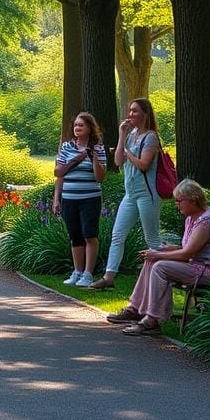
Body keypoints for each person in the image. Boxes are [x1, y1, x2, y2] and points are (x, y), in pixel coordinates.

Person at [107, 179, 210, 335]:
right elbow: (188, 248)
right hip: (198, 266)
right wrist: (165, 250)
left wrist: (159, 254)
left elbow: (187, 254)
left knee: (160, 266)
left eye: (179, 200)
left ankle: (152, 321)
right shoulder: (192, 217)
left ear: (193, 200)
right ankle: (135, 309)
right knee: (152, 260)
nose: (176, 204)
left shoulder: (206, 221)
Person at [88, 98, 163, 290]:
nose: (130, 115)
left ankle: (160, 276)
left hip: (148, 195)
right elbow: (119, 161)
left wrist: (129, 153)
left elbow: (144, 165)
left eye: (135, 111)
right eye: (130, 111)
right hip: (130, 195)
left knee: (152, 239)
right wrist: (122, 135)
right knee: (117, 235)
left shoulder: (151, 137)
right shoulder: (131, 135)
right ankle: (109, 277)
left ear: (146, 114)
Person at [52, 112, 107, 288]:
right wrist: (56, 199)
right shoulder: (67, 147)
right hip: (69, 198)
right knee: (75, 236)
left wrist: (94, 158)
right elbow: (58, 174)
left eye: (81, 125)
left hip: (90, 198)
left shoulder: (98, 148)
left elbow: (100, 177)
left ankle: (88, 273)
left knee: (89, 234)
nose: (77, 128)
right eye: (75, 125)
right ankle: (77, 271)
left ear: (90, 128)